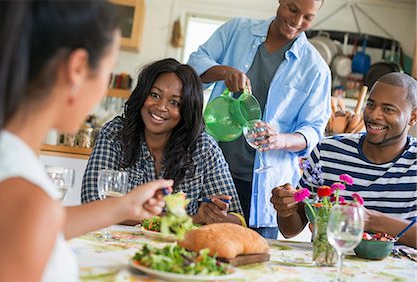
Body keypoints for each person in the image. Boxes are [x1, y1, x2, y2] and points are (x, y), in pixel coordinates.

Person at [0, 1, 173, 282]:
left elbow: (27, 229)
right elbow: (25, 221)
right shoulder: (22, 202)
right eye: (108, 69)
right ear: (77, 68)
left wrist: (123, 206)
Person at [187, 0, 331, 238]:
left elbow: (314, 132)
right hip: (211, 176)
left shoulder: (316, 68)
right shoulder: (237, 30)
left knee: (255, 265)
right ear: (281, 1)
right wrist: (224, 71)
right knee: (199, 250)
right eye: (292, 9)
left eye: (308, 17)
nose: (296, 22)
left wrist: (281, 139)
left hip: (265, 190)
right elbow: (193, 66)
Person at [81, 58, 245, 226]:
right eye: (155, 95)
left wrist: (214, 215)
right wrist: (191, 220)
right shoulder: (116, 134)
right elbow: (93, 203)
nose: (161, 107)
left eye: (174, 102)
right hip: (114, 248)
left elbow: (237, 220)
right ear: (142, 95)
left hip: (178, 251)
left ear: (187, 110)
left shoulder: (203, 147)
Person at [271, 72, 417, 248]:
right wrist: (285, 209)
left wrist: (371, 220)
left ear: (413, 117)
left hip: (399, 272)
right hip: (329, 265)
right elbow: (290, 230)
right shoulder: (326, 152)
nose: (373, 115)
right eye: (370, 105)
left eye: (388, 109)